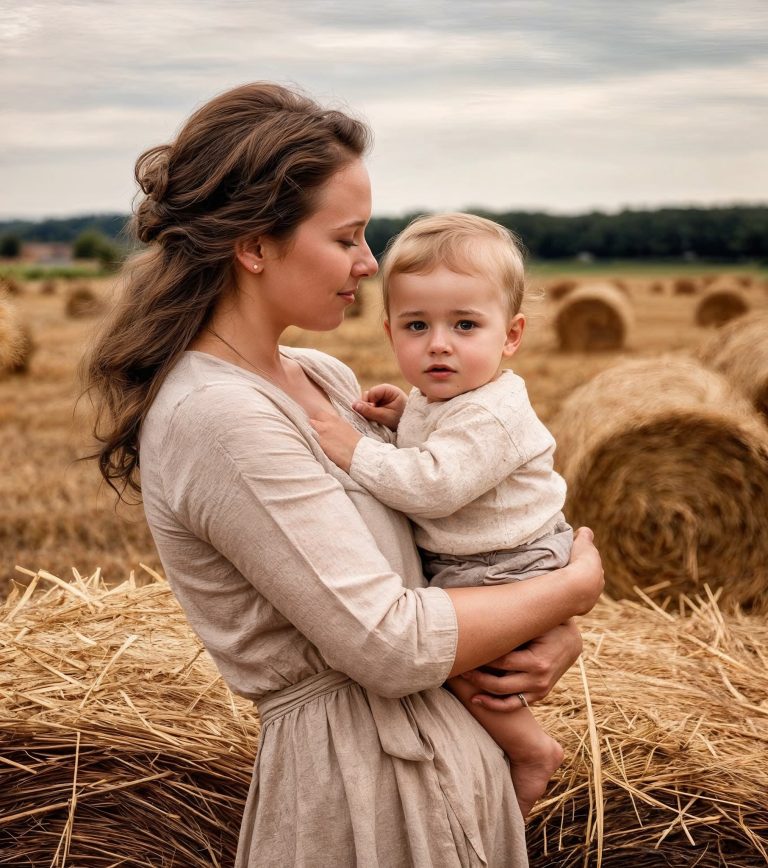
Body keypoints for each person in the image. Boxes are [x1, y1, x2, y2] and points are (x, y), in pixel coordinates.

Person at [83, 82, 604, 867]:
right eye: (347, 237)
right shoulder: (217, 417)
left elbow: (439, 547)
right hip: (361, 798)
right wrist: (571, 589)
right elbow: (390, 642)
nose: (369, 263)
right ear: (255, 246)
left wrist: (551, 635)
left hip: (455, 768)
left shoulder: (322, 379)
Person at [310, 212, 572, 818]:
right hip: (489, 556)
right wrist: (405, 417)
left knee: (452, 662)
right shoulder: (448, 398)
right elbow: (443, 442)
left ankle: (531, 750)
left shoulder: (494, 411)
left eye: (465, 325)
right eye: (417, 325)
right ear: (390, 331)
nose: (439, 343)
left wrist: (356, 449)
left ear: (511, 336)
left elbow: (435, 484)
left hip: (507, 563)